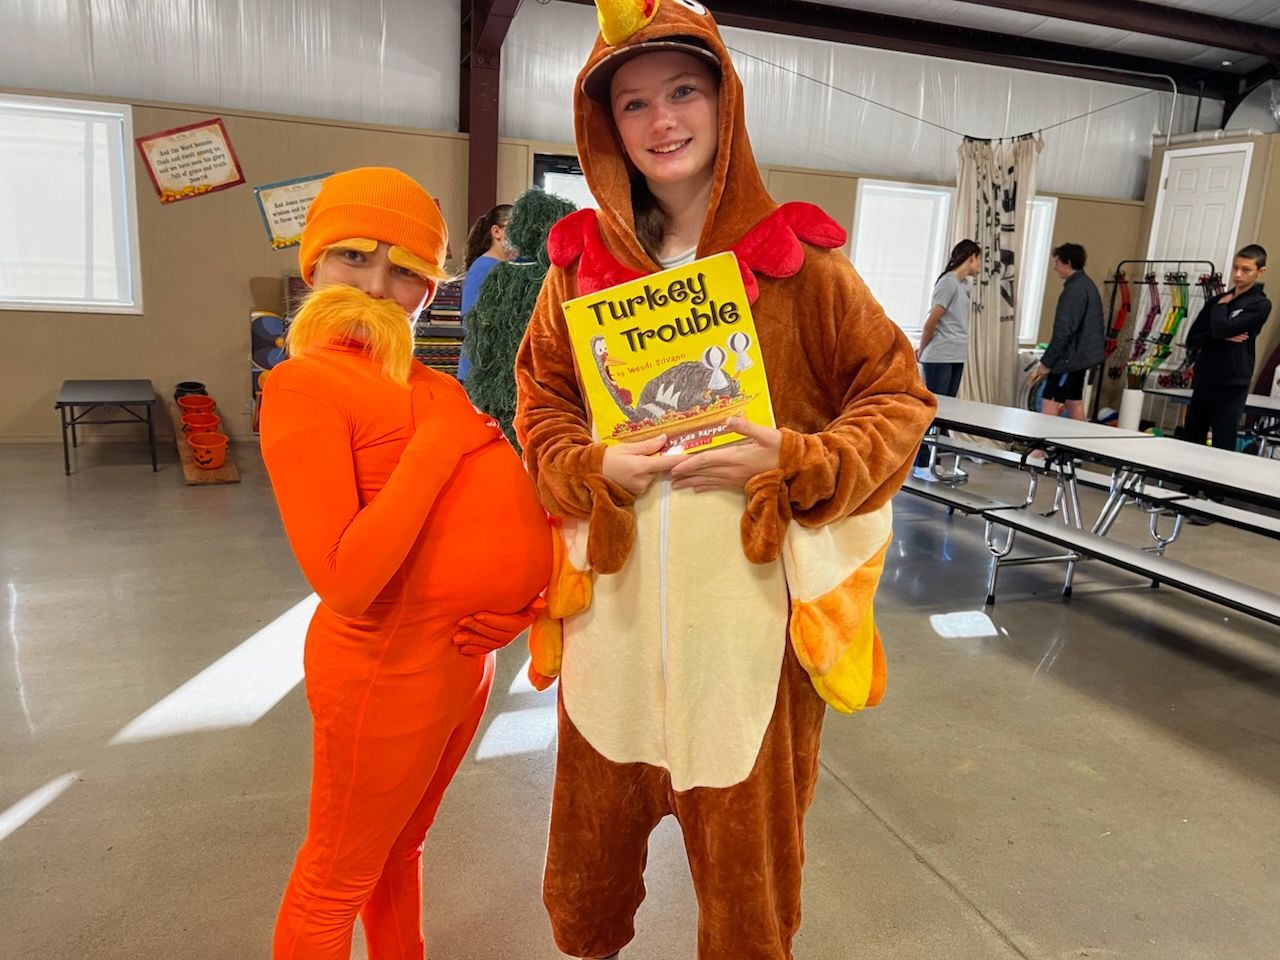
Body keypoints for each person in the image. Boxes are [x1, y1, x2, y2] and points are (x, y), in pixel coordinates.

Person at [513, 3, 935, 959]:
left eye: (683, 92)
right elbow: (539, 396)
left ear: (723, 100)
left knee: (748, 900)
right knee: (586, 889)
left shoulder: (802, 265)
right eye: (634, 104)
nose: (662, 122)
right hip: (612, 627)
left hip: (744, 633)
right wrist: (587, 466)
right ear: (604, 125)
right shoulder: (580, 272)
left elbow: (898, 397)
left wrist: (793, 459)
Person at [259, 167, 552, 960]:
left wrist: (527, 599)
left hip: (465, 661)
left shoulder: (430, 384)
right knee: (334, 879)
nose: (377, 286)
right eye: (355, 258)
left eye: (405, 272)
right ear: (312, 266)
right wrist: (433, 449)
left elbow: (493, 511)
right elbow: (346, 581)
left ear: (429, 290)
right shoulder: (303, 385)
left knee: (403, 848)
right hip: (384, 672)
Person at [464, 188, 576, 445]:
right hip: (540, 393)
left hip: (494, 386)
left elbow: (481, 336)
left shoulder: (498, 275)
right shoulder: (553, 280)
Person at [1183, 244, 1271, 450]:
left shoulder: (1260, 305)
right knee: (1192, 436)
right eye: (1235, 268)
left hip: (1232, 381)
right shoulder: (1217, 301)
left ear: (1260, 271)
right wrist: (1221, 331)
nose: (1238, 274)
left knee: (1223, 439)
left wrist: (1220, 326)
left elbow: (1221, 329)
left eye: (1246, 270)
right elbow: (1194, 338)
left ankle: (1214, 483)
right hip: (1205, 376)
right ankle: (1187, 482)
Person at [913, 238, 981, 478]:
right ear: (971, 257)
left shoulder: (966, 286)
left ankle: (932, 460)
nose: (980, 264)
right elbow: (931, 323)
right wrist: (921, 351)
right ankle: (921, 463)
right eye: (979, 259)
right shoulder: (948, 283)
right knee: (933, 411)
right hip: (939, 354)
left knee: (946, 413)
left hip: (956, 354)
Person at [1031, 242, 1106, 420]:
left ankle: (1043, 446)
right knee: (1074, 402)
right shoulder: (1086, 285)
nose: (1055, 267)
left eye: (1057, 262)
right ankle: (1075, 446)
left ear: (1068, 263)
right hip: (1081, 357)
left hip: (1070, 359)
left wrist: (1046, 362)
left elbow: (1064, 331)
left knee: (1049, 399)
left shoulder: (1074, 291)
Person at [457, 203, 514, 381]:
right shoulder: (483, 268)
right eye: (514, 229)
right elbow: (473, 321)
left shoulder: (506, 268)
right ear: (496, 232)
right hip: (480, 372)